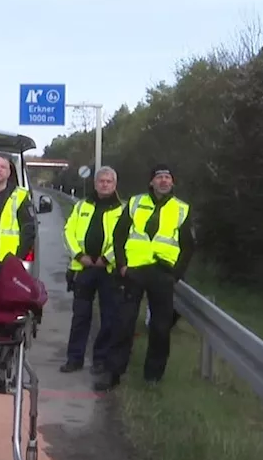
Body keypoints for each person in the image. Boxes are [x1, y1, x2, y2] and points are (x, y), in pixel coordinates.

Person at [94, 164, 195, 392]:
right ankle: (114, 374)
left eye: (167, 177)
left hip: (162, 273)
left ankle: (153, 377)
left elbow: (188, 246)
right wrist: (121, 265)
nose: (163, 181)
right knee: (123, 323)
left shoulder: (182, 209)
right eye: (159, 177)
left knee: (160, 328)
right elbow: (119, 235)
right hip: (134, 271)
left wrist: (176, 274)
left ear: (172, 182)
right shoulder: (135, 203)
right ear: (151, 182)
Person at [60, 166, 125, 375]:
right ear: (95, 183)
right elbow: (68, 232)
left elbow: (126, 239)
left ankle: (100, 360)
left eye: (108, 181)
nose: (104, 184)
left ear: (115, 185)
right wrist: (79, 256)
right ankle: (74, 358)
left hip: (109, 271)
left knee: (108, 317)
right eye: (101, 181)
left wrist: (107, 259)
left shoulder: (123, 210)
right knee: (80, 316)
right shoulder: (81, 206)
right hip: (83, 268)